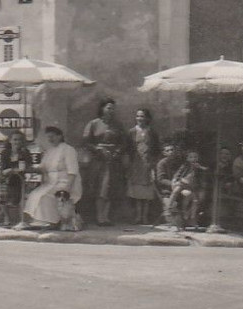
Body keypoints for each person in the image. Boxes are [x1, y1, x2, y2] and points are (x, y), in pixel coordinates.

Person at [18, 126, 81, 230]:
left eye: (52, 136)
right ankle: (40, 221)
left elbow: (73, 171)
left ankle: (52, 221)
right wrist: (29, 168)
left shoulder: (68, 150)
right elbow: (42, 167)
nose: (50, 139)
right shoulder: (49, 151)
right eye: (48, 137)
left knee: (44, 196)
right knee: (34, 194)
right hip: (51, 183)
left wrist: (67, 188)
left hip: (66, 182)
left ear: (60, 136)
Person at [80, 98, 125, 226]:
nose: (111, 111)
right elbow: (86, 142)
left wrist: (117, 152)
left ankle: (106, 217)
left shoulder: (118, 125)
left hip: (113, 160)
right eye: (109, 108)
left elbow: (123, 142)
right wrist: (98, 149)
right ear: (102, 109)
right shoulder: (94, 124)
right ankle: (99, 217)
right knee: (101, 188)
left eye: (113, 108)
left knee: (110, 189)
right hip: (98, 160)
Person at [125, 108, 162, 226]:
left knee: (146, 193)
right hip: (135, 165)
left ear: (147, 118)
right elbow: (127, 149)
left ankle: (145, 217)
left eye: (142, 116)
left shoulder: (152, 133)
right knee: (137, 192)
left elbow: (157, 150)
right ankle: (138, 217)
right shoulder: (131, 132)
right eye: (138, 116)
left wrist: (153, 164)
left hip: (147, 165)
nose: (140, 119)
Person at [0, 130, 34, 226]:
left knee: (16, 200)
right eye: (15, 140)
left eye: (19, 140)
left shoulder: (25, 152)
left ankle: (18, 218)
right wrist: (12, 170)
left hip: (19, 180)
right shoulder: (5, 153)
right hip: (5, 179)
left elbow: (29, 166)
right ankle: (6, 216)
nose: (17, 142)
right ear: (10, 141)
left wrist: (23, 163)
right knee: (1, 194)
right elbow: (3, 170)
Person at [164, 148, 208, 230]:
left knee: (195, 200)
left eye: (195, 157)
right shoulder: (185, 165)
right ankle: (168, 208)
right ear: (188, 159)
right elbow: (178, 173)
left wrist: (200, 168)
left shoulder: (198, 167)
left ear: (198, 158)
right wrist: (176, 180)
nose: (193, 159)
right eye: (191, 157)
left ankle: (191, 216)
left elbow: (204, 172)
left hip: (192, 187)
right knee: (176, 190)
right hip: (183, 183)